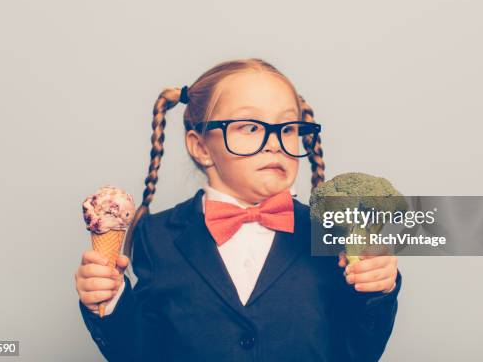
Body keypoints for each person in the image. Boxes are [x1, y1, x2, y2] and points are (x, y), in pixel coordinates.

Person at [74, 58, 401, 361]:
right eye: (250, 126)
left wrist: (377, 291)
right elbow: (140, 352)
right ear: (201, 147)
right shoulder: (154, 235)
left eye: (287, 128)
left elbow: (358, 351)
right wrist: (109, 299)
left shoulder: (331, 232)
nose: (275, 142)